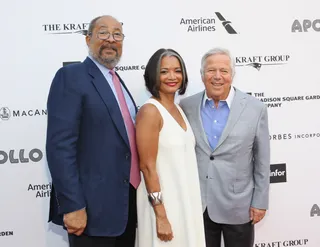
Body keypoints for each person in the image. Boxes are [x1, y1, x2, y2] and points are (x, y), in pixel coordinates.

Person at [46, 15, 140, 247]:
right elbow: (60, 147)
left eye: (117, 34)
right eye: (103, 33)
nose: (111, 39)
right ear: (88, 39)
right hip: (89, 212)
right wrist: (72, 206)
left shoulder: (118, 81)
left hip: (125, 209)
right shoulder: (71, 77)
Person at [180, 47, 270, 247]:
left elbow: (262, 161)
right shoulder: (186, 106)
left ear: (232, 75)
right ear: (202, 75)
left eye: (224, 71)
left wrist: (260, 202)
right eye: (211, 70)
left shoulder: (256, 108)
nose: (217, 77)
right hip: (199, 206)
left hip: (239, 206)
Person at [135, 48, 206, 247]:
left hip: (185, 202)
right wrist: (161, 215)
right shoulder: (150, 111)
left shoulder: (179, 109)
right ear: (153, 75)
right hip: (163, 207)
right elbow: (147, 167)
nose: (172, 77)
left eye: (177, 70)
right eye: (164, 71)